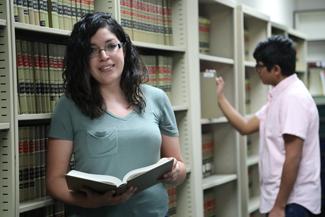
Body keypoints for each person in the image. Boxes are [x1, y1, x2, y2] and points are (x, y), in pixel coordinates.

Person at [46, 12, 186, 217]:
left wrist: (175, 172)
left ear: (124, 48)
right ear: (82, 59)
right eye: (92, 51)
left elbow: (179, 167)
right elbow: (54, 181)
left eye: (111, 45)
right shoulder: (68, 106)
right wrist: (89, 202)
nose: (104, 56)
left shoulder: (157, 98)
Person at [215, 35, 321, 217]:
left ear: (276, 69)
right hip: (281, 201)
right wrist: (220, 98)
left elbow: (293, 157)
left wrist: (279, 206)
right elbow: (246, 126)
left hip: (293, 203)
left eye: (260, 65)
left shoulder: (293, 98)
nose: (257, 70)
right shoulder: (278, 96)